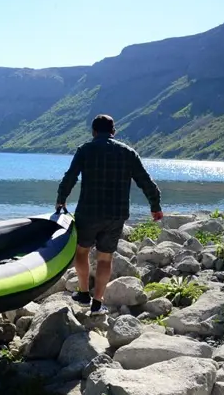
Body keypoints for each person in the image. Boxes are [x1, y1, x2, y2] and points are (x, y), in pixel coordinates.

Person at [55, 114, 163, 315]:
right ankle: (97, 302)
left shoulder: (85, 150)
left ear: (94, 131)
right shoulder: (128, 153)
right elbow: (145, 181)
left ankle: (83, 292)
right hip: (116, 214)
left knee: (82, 251)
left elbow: (70, 177)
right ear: (113, 132)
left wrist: (61, 198)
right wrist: (155, 206)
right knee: (105, 258)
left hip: (88, 211)